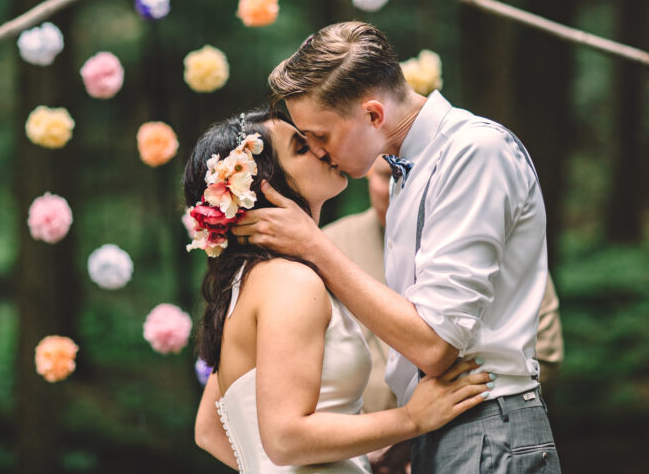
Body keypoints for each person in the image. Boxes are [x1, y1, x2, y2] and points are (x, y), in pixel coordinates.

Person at [232, 22, 562, 472]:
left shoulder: (474, 152)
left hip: (489, 426)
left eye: (321, 136)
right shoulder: (409, 171)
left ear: (372, 115)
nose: (320, 152)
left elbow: (435, 344)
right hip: (447, 429)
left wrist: (314, 246)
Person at [190, 108, 495, 473]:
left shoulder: (247, 281)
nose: (322, 149)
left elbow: (209, 430)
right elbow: (285, 437)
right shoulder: (290, 282)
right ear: (263, 186)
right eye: (302, 148)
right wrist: (412, 419)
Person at [324, 158, 565, 404]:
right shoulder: (330, 245)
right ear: (366, 172)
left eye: (416, 178)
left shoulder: (494, 239)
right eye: (388, 176)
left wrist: (459, 408)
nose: (400, 192)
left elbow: (544, 352)